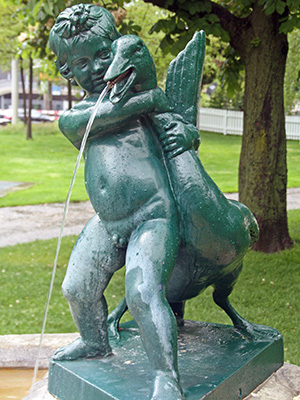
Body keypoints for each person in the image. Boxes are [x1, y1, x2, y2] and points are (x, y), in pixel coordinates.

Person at [49, 4, 185, 399]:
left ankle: (166, 376)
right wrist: (152, 98)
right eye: (81, 62)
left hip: (152, 215)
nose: (94, 68)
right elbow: (106, 116)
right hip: (108, 222)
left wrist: (179, 127)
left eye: (103, 55)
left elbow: (179, 128)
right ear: (66, 72)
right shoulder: (76, 117)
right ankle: (94, 342)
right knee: (77, 288)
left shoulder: (140, 98)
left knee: (141, 292)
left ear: (120, 49)